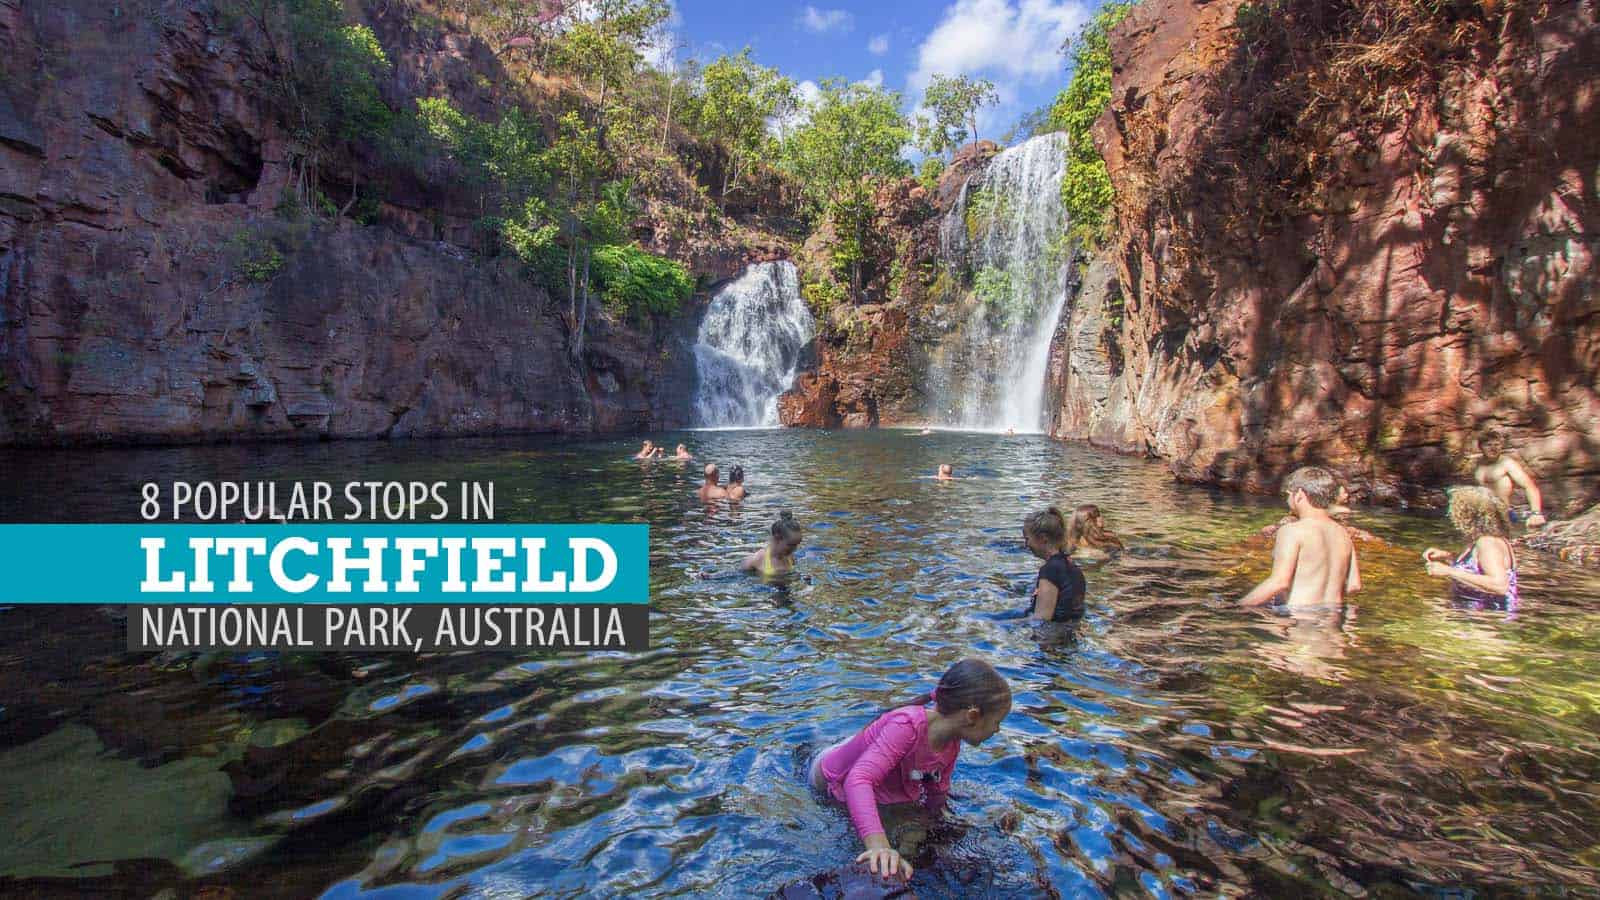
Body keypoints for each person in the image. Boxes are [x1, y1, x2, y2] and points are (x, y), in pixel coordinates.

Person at [809, 658, 1012, 880]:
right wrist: (878, 846)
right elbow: (858, 780)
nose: (997, 729)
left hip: (889, 770)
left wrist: (941, 820)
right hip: (832, 776)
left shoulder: (951, 743)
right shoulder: (907, 726)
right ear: (972, 715)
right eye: (997, 721)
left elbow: (936, 790)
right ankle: (815, 734)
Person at [1240, 466, 1361, 607]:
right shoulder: (1343, 533)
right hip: (1333, 617)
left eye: (1288, 494)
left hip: (1299, 618)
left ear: (1299, 495)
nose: (1287, 499)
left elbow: (1279, 582)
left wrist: (1238, 607)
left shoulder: (1292, 531)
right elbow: (1354, 586)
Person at [1424, 486, 1519, 606]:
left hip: (1487, 620)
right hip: (1471, 614)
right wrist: (1448, 557)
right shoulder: (1484, 539)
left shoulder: (1488, 544)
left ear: (1467, 515)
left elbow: (1500, 585)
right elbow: (1478, 568)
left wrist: (1449, 571)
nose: (1451, 514)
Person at [1022, 507, 1087, 621]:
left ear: (1043, 538)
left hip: (1053, 637)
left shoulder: (1050, 570)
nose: (1026, 545)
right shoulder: (1072, 567)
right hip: (1070, 635)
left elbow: (1041, 619)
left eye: (1027, 539)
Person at [1473, 428, 1546, 527]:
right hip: (1483, 516)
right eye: (1488, 445)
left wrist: (1536, 513)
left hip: (1504, 515)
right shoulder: (1477, 464)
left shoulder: (1507, 463)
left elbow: (1530, 486)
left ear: (1501, 446)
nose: (1493, 448)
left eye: (1496, 445)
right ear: (1480, 447)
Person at [741, 511, 803, 577]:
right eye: (791, 545)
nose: (795, 549)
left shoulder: (790, 557)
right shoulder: (755, 560)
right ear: (777, 539)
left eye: (796, 545)